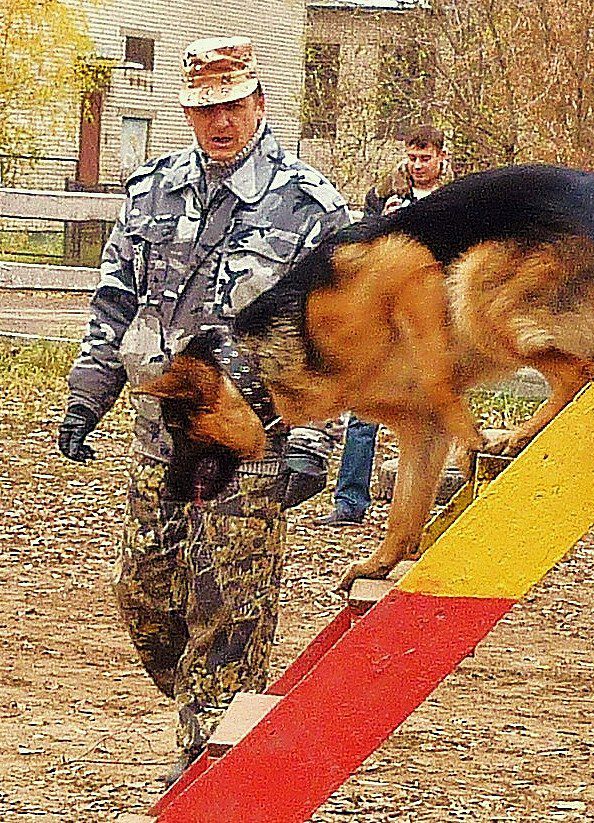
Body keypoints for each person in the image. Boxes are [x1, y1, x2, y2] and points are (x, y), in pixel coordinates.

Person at [57, 36, 349, 784]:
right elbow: (114, 305)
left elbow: (338, 338)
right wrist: (87, 397)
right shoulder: (152, 192)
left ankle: (209, 775)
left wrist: (314, 443)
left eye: (231, 105)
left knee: (227, 619)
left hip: (253, 446)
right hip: (162, 438)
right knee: (143, 595)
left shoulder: (310, 206)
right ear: (187, 111)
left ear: (259, 103)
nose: (219, 121)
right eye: (203, 108)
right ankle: (211, 718)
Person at [315, 124, 449, 527]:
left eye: (425, 158)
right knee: (364, 408)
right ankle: (349, 502)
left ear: (441, 157)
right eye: (412, 157)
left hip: (436, 314)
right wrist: (385, 224)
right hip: (386, 310)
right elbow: (361, 245)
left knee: (438, 410)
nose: (418, 165)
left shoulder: (457, 198)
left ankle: (418, 512)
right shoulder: (383, 193)